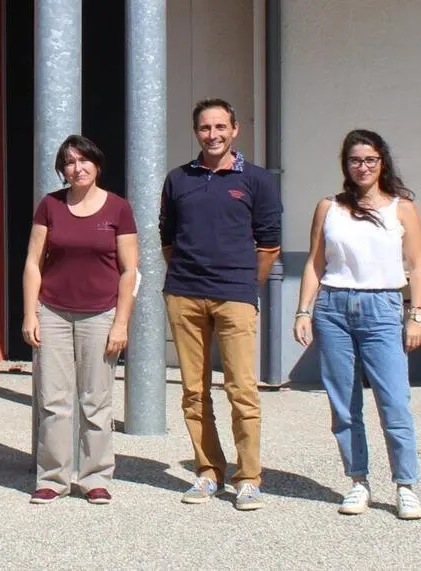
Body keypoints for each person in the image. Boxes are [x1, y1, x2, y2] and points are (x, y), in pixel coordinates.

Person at [292, 129, 421, 520]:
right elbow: (316, 262)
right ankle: (358, 481)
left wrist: (416, 315)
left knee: (394, 401)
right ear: (345, 165)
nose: (363, 167)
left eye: (370, 160)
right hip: (333, 306)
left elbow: (418, 265)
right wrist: (303, 310)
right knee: (344, 403)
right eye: (355, 160)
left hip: (382, 306)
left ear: (382, 162)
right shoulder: (329, 207)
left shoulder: (401, 208)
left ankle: (405, 486)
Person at [158, 98, 282, 511]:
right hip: (184, 294)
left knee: (241, 389)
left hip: (235, 295)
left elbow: (269, 243)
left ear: (235, 129)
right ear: (196, 131)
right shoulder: (178, 179)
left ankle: (248, 478)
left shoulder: (257, 180)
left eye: (220, 127)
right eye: (205, 128)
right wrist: (187, 276)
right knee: (194, 391)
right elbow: (167, 237)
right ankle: (208, 471)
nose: (213, 135)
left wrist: (246, 284)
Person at [22, 135, 138, 505]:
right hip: (53, 312)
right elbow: (33, 263)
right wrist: (29, 313)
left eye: (84, 160)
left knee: (96, 401)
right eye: (70, 162)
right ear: (63, 170)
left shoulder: (118, 209)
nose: (78, 168)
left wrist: (121, 323)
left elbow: (129, 271)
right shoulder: (50, 206)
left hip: (101, 314)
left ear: (97, 164)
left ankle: (94, 478)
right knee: (53, 400)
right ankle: (53, 478)